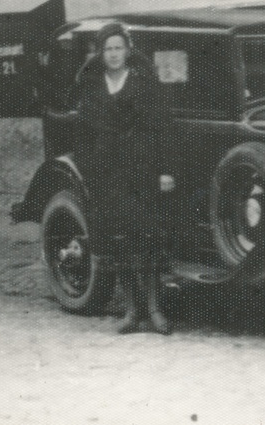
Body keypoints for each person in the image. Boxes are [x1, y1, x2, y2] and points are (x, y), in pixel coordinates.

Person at [73, 23, 176, 335]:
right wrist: (89, 169)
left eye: (119, 48)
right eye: (108, 49)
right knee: (118, 241)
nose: (114, 55)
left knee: (146, 237)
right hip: (107, 174)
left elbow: (163, 127)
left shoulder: (145, 83)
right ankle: (132, 311)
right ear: (100, 54)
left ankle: (156, 311)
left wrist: (166, 170)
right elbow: (83, 135)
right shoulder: (91, 87)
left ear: (127, 51)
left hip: (142, 169)